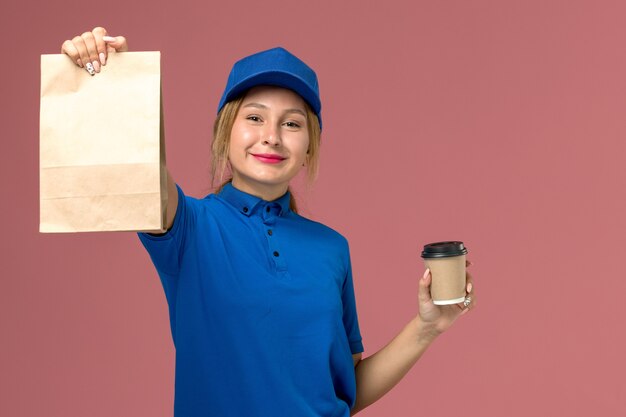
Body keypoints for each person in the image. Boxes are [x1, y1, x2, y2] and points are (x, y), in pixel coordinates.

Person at [61, 26, 476, 417]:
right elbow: (142, 161)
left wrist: (427, 327)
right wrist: (113, 75)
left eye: (292, 123)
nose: (272, 136)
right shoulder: (188, 226)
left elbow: (345, 390)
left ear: (310, 146)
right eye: (255, 117)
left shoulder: (332, 248)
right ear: (225, 133)